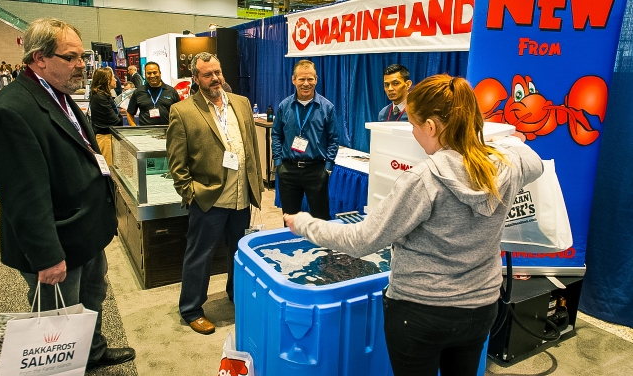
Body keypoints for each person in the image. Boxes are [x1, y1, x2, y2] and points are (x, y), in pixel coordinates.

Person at [284, 74, 543, 376]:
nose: (413, 132)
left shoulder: (425, 179)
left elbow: (361, 240)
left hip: (421, 312)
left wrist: (304, 223)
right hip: (481, 306)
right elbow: (530, 157)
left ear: (431, 127)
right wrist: (499, 141)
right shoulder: (507, 164)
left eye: (414, 125)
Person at [0, 18, 135, 369]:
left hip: (85, 233)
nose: (81, 64)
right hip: (57, 243)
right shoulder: (12, 110)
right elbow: (23, 197)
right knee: (57, 319)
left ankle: (92, 352)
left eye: (81, 56)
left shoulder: (58, 94)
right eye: (71, 57)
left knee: (92, 297)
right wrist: (46, 257)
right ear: (39, 58)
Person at [166, 51, 263, 335]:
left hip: (241, 195)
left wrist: (255, 186)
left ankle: (237, 295)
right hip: (208, 198)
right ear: (195, 79)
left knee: (240, 252)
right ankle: (192, 309)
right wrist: (190, 192)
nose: (215, 78)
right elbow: (176, 162)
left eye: (218, 72)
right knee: (200, 255)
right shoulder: (182, 111)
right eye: (207, 74)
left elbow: (251, 149)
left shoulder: (242, 104)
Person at [271, 59, 338, 221]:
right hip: (288, 170)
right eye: (301, 79)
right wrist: (279, 163)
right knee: (290, 218)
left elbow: (333, 139)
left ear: (316, 79)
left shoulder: (327, 107)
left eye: (310, 79)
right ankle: (292, 247)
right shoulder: (284, 106)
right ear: (293, 80)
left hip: (316, 170)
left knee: (320, 218)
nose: (306, 83)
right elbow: (276, 135)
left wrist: (327, 168)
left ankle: (321, 247)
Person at [126, 62, 180, 126]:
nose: (152, 76)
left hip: (167, 132)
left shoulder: (171, 91)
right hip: (146, 133)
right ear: (145, 74)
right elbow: (129, 113)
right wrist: (134, 127)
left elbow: (179, 113)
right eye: (149, 73)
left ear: (160, 73)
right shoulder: (138, 92)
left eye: (155, 72)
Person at [89, 67, 123, 165]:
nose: (115, 79)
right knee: (108, 169)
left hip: (109, 137)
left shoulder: (105, 95)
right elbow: (114, 120)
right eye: (113, 77)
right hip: (105, 138)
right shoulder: (99, 97)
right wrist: (120, 117)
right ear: (107, 80)